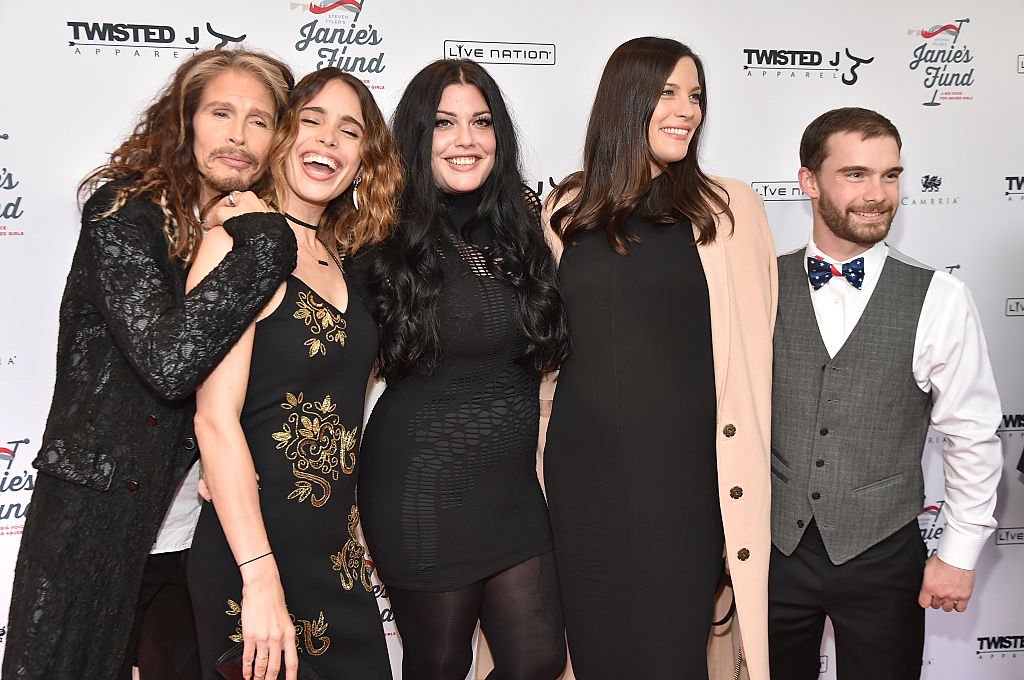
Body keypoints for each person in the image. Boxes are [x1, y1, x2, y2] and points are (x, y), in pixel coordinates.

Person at [2, 49, 296, 680]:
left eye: (260, 120)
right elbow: (168, 361)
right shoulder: (122, 213)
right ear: (186, 119)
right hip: (95, 520)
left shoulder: (238, 224)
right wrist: (269, 243)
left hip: (196, 532)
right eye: (222, 113)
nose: (239, 136)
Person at [542, 36, 776, 680]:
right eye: (668, 93)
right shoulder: (567, 209)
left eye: (696, 95)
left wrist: (748, 502)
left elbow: (756, 365)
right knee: (595, 657)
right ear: (627, 100)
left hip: (686, 486)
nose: (686, 110)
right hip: (580, 483)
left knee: (674, 658)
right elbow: (549, 360)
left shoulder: (730, 209)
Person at [768, 107, 1003, 680]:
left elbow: (971, 433)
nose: (878, 194)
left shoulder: (940, 297)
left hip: (883, 554)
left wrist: (957, 552)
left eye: (891, 175)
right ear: (808, 182)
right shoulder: (760, 284)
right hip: (771, 551)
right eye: (855, 175)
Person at [356, 58, 570, 680]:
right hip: (423, 487)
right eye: (444, 124)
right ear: (417, 137)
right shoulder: (381, 237)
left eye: (481, 122)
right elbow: (322, 361)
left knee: (536, 662)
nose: (467, 140)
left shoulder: (518, 232)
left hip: (511, 494)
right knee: (439, 664)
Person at [185, 67, 402, 680]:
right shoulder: (239, 241)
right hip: (252, 560)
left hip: (335, 560)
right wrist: (259, 580)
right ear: (281, 135)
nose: (328, 140)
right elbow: (215, 417)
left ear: (365, 160)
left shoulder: (348, 260)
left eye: (349, 130)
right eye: (311, 121)